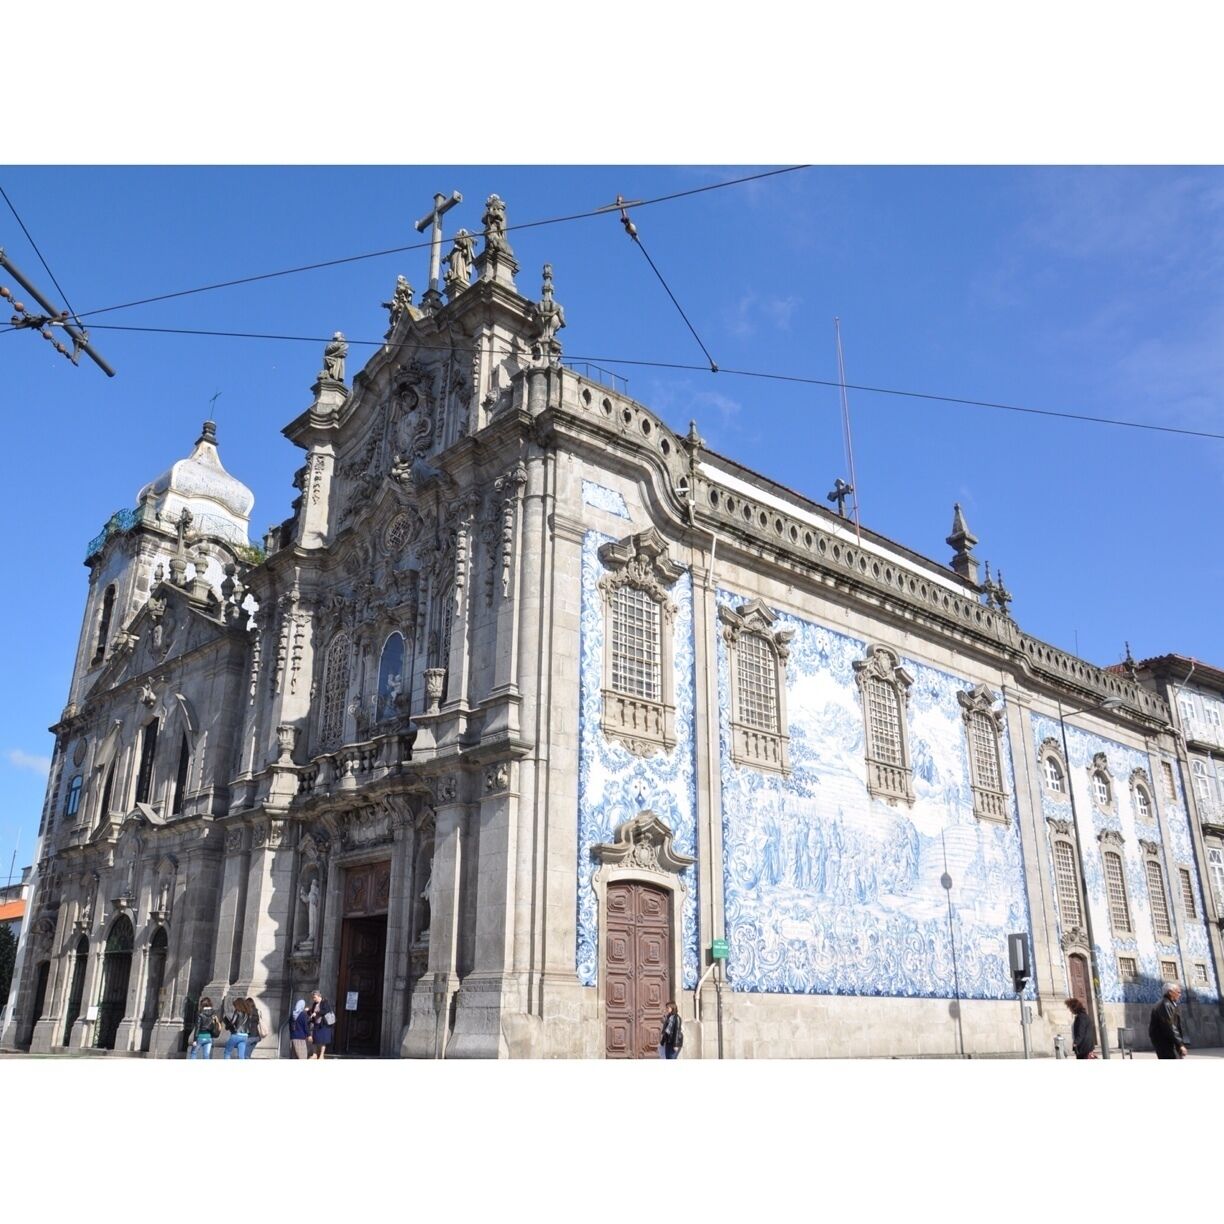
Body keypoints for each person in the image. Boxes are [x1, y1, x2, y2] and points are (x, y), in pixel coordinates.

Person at [1149, 982, 1188, 1059]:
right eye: (1178, 992)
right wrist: (1180, 1044)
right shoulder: (1165, 1005)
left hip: (1167, 1042)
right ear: (1170, 992)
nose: (1180, 995)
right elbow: (1170, 1026)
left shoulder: (1169, 1004)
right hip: (1165, 1043)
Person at [308, 990, 334, 1060]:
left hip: (324, 1025)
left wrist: (317, 1013)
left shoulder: (325, 1002)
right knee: (314, 1039)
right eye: (313, 997)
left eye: (314, 997)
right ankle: (314, 1054)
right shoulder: (314, 1004)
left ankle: (321, 1055)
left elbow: (325, 1011)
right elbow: (312, 1012)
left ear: (319, 996)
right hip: (316, 1024)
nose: (313, 999)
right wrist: (308, 1011)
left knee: (323, 1040)